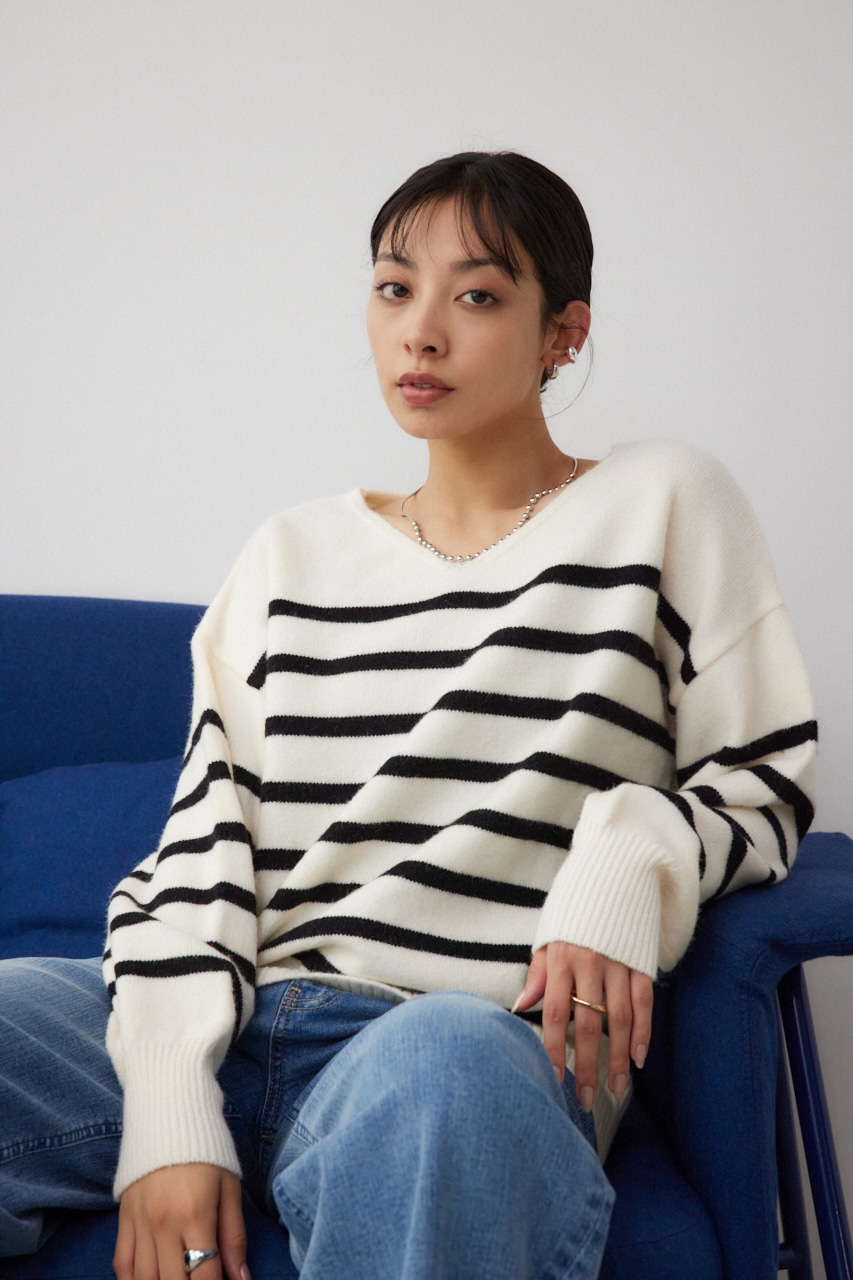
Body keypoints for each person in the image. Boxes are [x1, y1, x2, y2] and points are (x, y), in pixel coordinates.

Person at [0, 152, 817, 1280]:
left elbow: (762, 783)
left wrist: (630, 851)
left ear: (563, 333)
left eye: (476, 295)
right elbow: (201, 853)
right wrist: (172, 1110)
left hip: (466, 1046)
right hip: (245, 1016)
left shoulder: (664, 501)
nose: (420, 333)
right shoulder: (287, 555)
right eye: (394, 288)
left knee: (441, 1061)